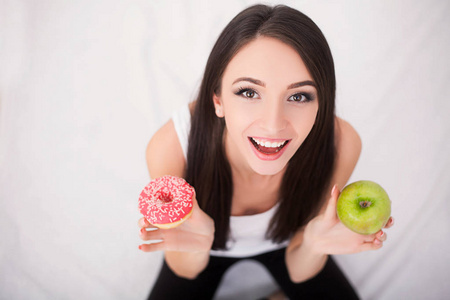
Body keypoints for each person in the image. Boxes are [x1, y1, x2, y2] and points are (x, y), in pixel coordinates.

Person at [138, 4, 394, 299]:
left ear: (321, 102)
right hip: (201, 247)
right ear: (218, 100)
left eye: (299, 96)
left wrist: (313, 243)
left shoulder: (341, 143)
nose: (273, 125)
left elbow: (299, 268)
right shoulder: (172, 147)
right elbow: (185, 269)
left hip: (287, 244)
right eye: (249, 92)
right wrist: (197, 246)